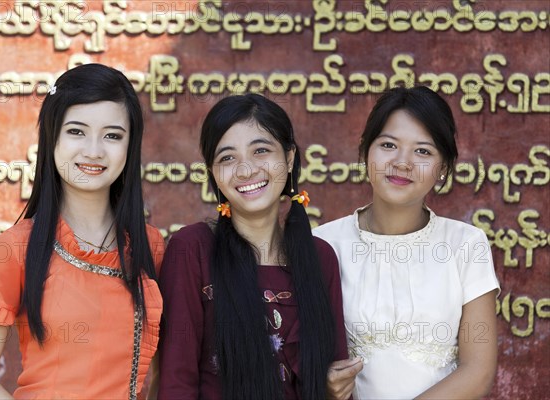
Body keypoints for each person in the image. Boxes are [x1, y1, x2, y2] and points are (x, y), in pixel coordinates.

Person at [0, 63, 164, 400]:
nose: (94, 150)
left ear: (131, 146)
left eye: (112, 135)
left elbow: (162, 376)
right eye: (76, 131)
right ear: (52, 136)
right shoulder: (18, 247)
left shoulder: (150, 247)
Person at [157, 93, 360, 400]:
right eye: (227, 158)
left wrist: (334, 388)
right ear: (212, 172)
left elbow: (333, 376)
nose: (246, 170)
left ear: (289, 158)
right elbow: (176, 384)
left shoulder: (320, 258)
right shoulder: (191, 249)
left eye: (261, 151)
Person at [314, 86, 500, 400]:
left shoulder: (466, 245)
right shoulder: (323, 245)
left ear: (442, 168)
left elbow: (478, 372)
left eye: (423, 151)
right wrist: (326, 382)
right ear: (365, 153)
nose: (402, 162)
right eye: (388, 145)